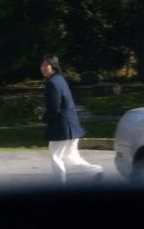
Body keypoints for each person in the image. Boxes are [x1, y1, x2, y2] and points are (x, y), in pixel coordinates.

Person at [40, 54, 103, 183]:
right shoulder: (60, 80)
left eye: (46, 65)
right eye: (42, 65)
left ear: (53, 66)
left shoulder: (52, 83)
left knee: (56, 156)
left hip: (62, 128)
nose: (43, 67)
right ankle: (95, 170)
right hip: (71, 126)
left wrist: (44, 117)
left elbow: (54, 108)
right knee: (70, 157)